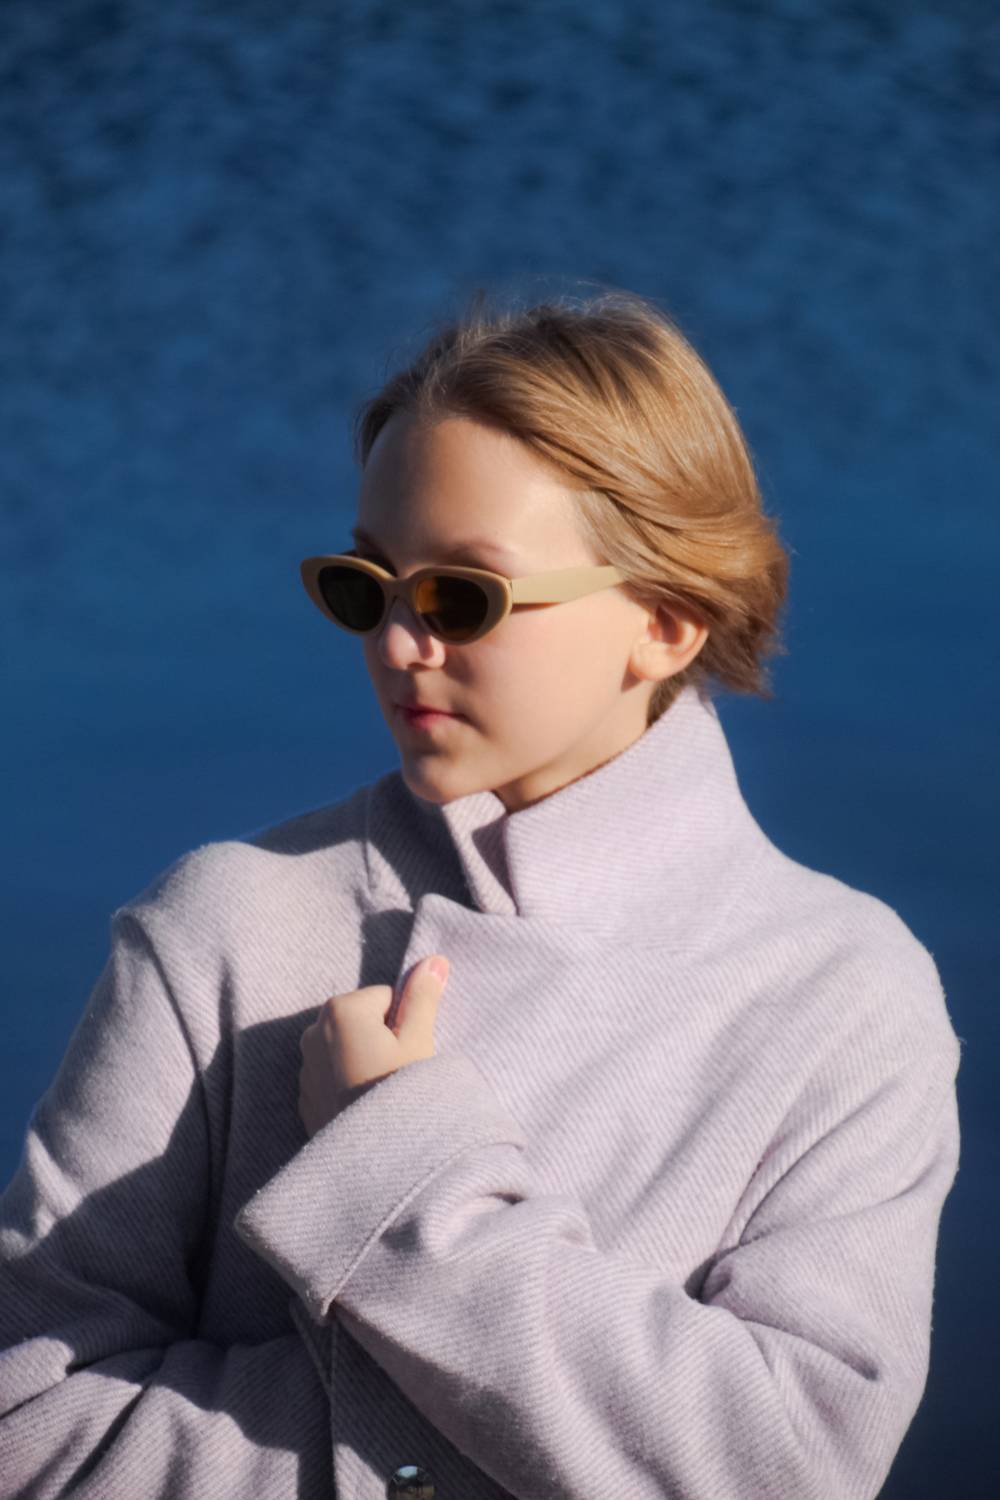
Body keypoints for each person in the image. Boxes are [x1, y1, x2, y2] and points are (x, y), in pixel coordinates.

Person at [0, 286, 961, 1499]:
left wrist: (401, 1172)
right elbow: (25, 1416)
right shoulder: (229, 927)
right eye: (367, 586)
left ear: (667, 620)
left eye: (463, 596)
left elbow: (794, 1463)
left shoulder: (841, 995)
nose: (400, 645)